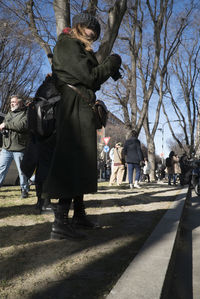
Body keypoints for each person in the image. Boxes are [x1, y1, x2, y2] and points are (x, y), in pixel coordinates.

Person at [42, 11, 122, 240]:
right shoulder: (67, 45)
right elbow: (90, 78)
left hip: (79, 107)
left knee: (80, 161)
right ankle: (60, 223)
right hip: (73, 109)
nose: (95, 36)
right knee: (72, 160)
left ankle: (78, 214)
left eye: (97, 33)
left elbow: (89, 76)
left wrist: (107, 66)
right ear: (80, 26)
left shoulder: (76, 46)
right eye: (92, 31)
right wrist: (112, 62)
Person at [0, 95, 29, 198]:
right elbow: (5, 124)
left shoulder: (25, 114)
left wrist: (7, 125)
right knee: (1, 169)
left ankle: (24, 190)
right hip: (6, 148)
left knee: (22, 171)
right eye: (11, 102)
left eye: (14, 102)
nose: (11, 103)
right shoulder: (9, 114)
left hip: (19, 148)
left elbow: (21, 126)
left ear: (20, 103)